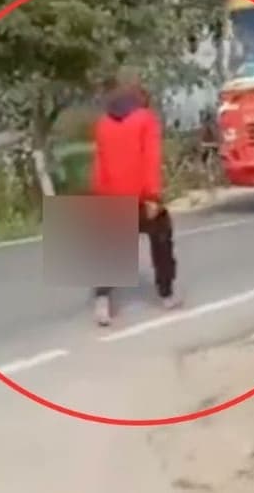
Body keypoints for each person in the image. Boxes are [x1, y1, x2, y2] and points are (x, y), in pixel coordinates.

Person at [88, 69, 181, 326]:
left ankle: (102, 302)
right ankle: (166, 293)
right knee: (161, 239)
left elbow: (99, 163)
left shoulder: (103, 123)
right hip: (141, 197)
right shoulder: (146, 119)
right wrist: (152, 195)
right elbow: (150, 159)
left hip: (111, 197)